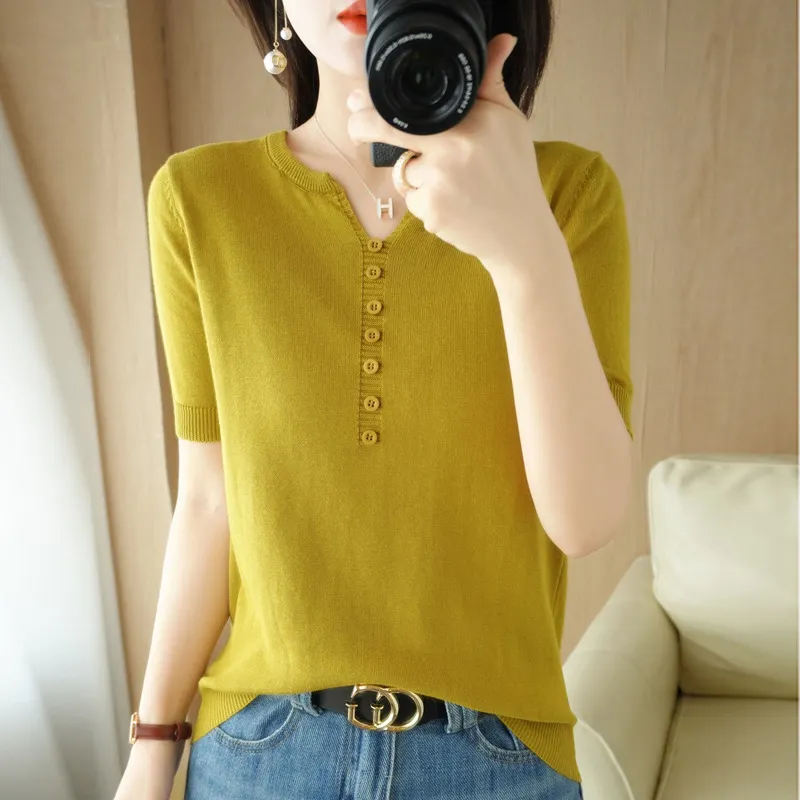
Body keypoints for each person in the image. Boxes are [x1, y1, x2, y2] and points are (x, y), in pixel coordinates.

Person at [115, 0, 633, 797]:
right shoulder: (198, 198)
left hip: (495, 763)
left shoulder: (567, 193)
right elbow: (209, 503)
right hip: (259, 757)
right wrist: (151, 750)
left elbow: (587, 519)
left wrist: (524, 248)